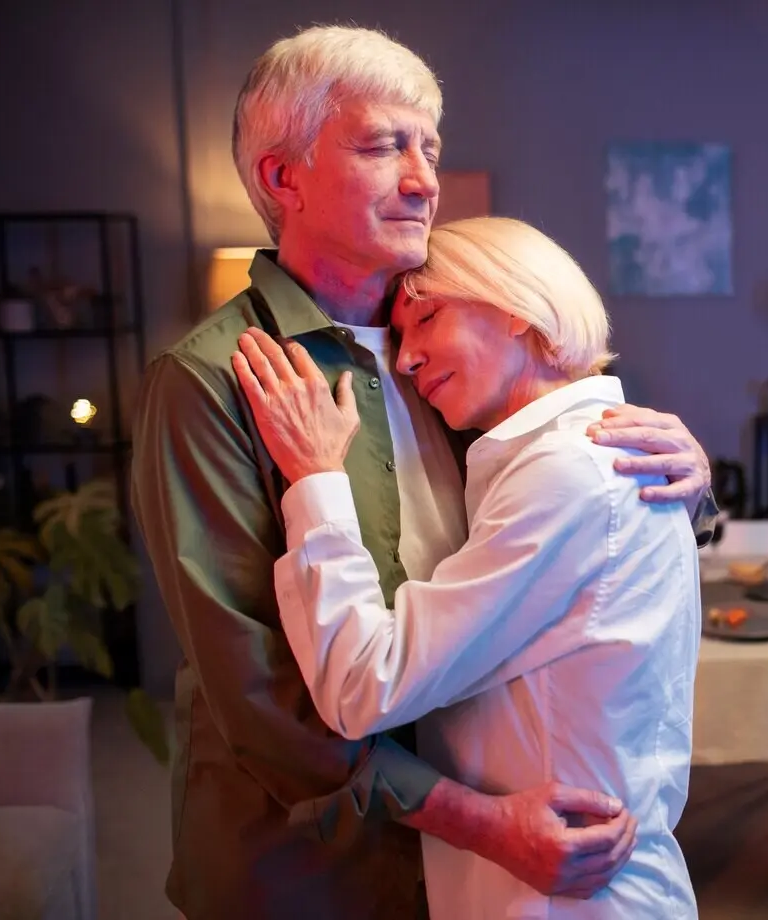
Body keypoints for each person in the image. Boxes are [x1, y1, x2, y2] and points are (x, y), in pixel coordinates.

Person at [131, 26, 715, 920]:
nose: (423, 180)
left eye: (429, 149)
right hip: (308, 866)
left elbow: (569, 532)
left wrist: (685, 486)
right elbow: (261, 694)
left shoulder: (456, 361)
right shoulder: (210, 380)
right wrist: (479, 823)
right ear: (283, 178)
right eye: (382, 147)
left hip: (479, 859)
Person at [232, 215, 700, 918]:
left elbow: (364, 685)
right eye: (398, 338)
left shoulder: (570, 474)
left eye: (427, 319)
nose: (404, 361)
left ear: (518, 310)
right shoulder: (577, 460)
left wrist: (316, 478)